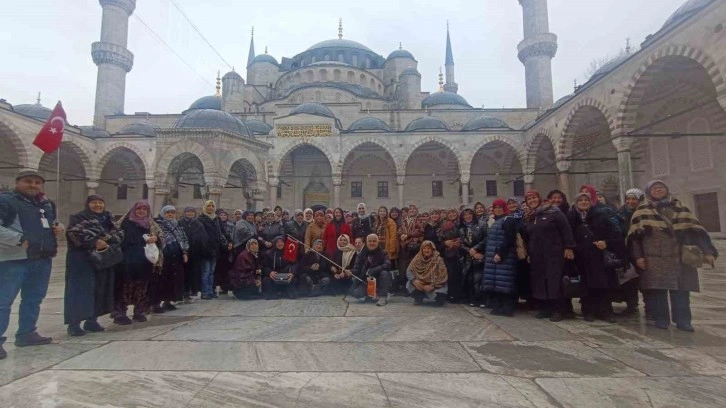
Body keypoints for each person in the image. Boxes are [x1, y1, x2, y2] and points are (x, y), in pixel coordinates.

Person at [628, 180, 718, 331]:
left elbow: (697, 232)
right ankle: (661, 319)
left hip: (680, 256)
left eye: (661, 188)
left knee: (682, 291)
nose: (658, 190)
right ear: (649, 192)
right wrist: (638, 257)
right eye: (655, 188)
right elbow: (635, 239)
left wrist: (708, 252)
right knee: (658, 291)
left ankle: (683, 321)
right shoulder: (642, 211)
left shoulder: (680, 208)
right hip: (655, 257)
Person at [0, 170, 62, 357]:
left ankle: (27, 333)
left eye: (37, 182)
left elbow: (50, 224)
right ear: (18, 182)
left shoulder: (46, 204)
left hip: (42, 258)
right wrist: (18, 239)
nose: (33, 185)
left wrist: (59, 228)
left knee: (33, 298)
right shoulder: (6, 201)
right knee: (4, 301)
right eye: (28, 181)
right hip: (15, 259)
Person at [64, 194, 121, 336]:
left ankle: (91, 320)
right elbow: (73, 234)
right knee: (79, 291)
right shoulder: (79, 217)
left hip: (102, 259)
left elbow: (117, 235)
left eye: (100, 202)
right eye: (94, 203)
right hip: (81, 260)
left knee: (98, 289)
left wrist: (105, 239)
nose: (98, 205)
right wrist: (94, 242)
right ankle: (74, 324)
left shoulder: (108, 218)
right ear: (87, 204)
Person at [568, 192, 626, 323]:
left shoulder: (601, 215)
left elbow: (615, 234)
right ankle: (589, 311)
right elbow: (568, 236)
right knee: (587, 286)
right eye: (580, 200)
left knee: (604, 284)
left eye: (586, 200)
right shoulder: (572, 217)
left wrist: (606, 242)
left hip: (600, 256)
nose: (583, 202)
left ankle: (605, 311)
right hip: (582, 257)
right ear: (576, 203)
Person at [523, 190, 575, 322]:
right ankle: (545, 308)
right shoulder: (531, 216)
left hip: (554, 253)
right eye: (529, 199)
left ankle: (558, 310)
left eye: (534, 198)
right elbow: (529, 237)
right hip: (537, 255)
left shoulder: (554, 212)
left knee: (555, 281)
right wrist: (529, 252)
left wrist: (568, 247)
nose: (531, 201)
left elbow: (565, 229)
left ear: (539, 198)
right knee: (540, 281)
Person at [114, 200, 163, 325]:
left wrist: (155, 239)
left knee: (141, 287)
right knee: (125, 287)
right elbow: (114, 238)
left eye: (144, 209)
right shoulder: (125, 223)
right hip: (126, 260)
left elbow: (161, 237)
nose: (141, 211)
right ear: (134, 210)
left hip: (144, 261)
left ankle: (139, 311)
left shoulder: (150, 224)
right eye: (139, 209)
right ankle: (120, 313)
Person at [482, 199, 520, 316]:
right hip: (494, 258)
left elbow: (509, 239)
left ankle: (508, 308)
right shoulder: (495, 221)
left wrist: (500, 254)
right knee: (498, 283)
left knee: (506, 283)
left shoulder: (508, 220)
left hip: (505, 257)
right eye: (496, 207)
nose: (498, 209)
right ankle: (499, 307)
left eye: (500, 207)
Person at [149, 205, 189, 313]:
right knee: (161, 280)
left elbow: (183, 239)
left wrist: (185, 252)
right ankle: (155, 304)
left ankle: (168, 301)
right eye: (168, 213)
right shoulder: (158, 225)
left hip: (176, 256)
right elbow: (158, 239)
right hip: (163, 257)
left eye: (172, 212)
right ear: (163, 214)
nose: (170, 215)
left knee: (173, 280)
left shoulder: (177, 225)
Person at [616, 188, 645, 316]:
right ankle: (632, 305)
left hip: (643, 250)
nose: (630, 201)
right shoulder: (620, 213)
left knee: (645, 280)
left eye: (634, 199)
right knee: (630, 279)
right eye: (628, 199)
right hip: (627, 250)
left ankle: (650, 307)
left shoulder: (645, 212)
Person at [349, 234, 392, 306]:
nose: (372, 243)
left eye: (374, 241)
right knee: (356, 293)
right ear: (366, 242)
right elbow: (357, 270)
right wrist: (350, 272)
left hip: (379, 279)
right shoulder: (360, 255)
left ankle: (382, 297)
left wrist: (374, 270)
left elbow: (387, 265)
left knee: (384, 273)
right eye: (370, 241)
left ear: (378, 242)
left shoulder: (383, 253)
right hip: (366, 280)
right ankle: (369, 295)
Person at [197, 200, 228, 299]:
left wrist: (229, 240)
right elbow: (201, 235)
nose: (210, 208)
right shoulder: (201, 219)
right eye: (208, 206)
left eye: (212, 206)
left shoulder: (216, 218)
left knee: (212, 271)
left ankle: (211, 290)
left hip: (215, 248)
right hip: (206, 249)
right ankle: (205, 291)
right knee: (206, 271)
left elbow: (222, 231)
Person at [458, 207, 487, 307]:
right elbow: (460, 243)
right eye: (465, 215)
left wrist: (476, 248)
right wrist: (470, 251)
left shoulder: (482, 224)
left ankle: (481, 300)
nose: (467, 216)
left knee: (479, 279)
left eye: (469, 214)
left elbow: (486, 238)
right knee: (469, 279)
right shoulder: (461, 228)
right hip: (468, 256)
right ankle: (472, 299)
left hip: (480, 254)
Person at [179, 207, 208, 300]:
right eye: (188, 211)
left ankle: (193, 290)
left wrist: (201, 248)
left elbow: (204, 238)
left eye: (192, 212)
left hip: (196, 252)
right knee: (184, 272)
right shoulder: (180, 223)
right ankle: (184, 291)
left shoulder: (198, 224)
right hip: (183, 252)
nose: (190, 213)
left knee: (194, 272)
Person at [407, 241, 448, 306]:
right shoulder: (417, 258)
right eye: (424, 248)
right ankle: (418, 298)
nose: (426, 250)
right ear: (422, 249)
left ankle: (438, 300)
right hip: (421, 284)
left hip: (434, 285)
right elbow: (409, 271)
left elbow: (444, 276)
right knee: (409, 283)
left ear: (432, 249)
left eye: (428, 248)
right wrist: (414, 281)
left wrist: (432, 286)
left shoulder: (439, 260)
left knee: (441, 295)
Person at [398, 204, 424, 292]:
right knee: (404, 267)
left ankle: (414, 288)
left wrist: (407, 235)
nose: (412, 210)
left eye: (414, 209)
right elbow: (400, 231)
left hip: (414, 248)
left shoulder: (419, 220)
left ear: (416, 211)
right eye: (410, 209)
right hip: (405, 247)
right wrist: (401, 235)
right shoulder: (404, 221)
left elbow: (420, 231)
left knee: (413, 267)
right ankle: (405, 288)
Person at [439, 208, 463, 303]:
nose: (452, 214)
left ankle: (458, 295)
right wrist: (445, 243)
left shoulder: (461, 224)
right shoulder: (444, 226)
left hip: (460, 252)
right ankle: (450, 294)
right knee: (450, 275)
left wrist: (458, 241)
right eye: (450, 212)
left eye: (454, 212)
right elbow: (440, 240)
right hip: (448, 254)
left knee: (459, 275)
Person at [215, 209, 235, 296]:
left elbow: (232, 236)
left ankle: (226, 287)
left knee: (226, 269)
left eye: (224, 215)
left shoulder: (231, 225)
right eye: (221, 215)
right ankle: (219, 286)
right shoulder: (216, 225)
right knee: (218, 270)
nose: (223, 217)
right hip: (218, 250)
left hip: (228, 250)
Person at [373, 206, 398, 271]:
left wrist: (391, 249)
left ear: (387, 213)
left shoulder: (390, 222)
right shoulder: (376, 222)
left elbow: (393, 236)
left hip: (387, 248)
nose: (382, 213)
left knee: (389, 267)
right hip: (378, 248)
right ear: (378, 213)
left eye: (384, 211)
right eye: (381, 211)